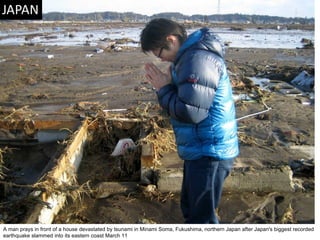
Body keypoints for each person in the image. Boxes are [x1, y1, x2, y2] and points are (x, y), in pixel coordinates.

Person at [140, 18, 239, 224]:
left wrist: (164, 88)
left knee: (201, 218)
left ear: (171, 40)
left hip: (209, 151)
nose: (163, 59)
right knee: (191, 207)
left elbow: (191, 113)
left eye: (160, 53)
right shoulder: (188, 59)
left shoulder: (198, 61)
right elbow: (192, 101)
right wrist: (171, 84)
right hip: (201, 147)